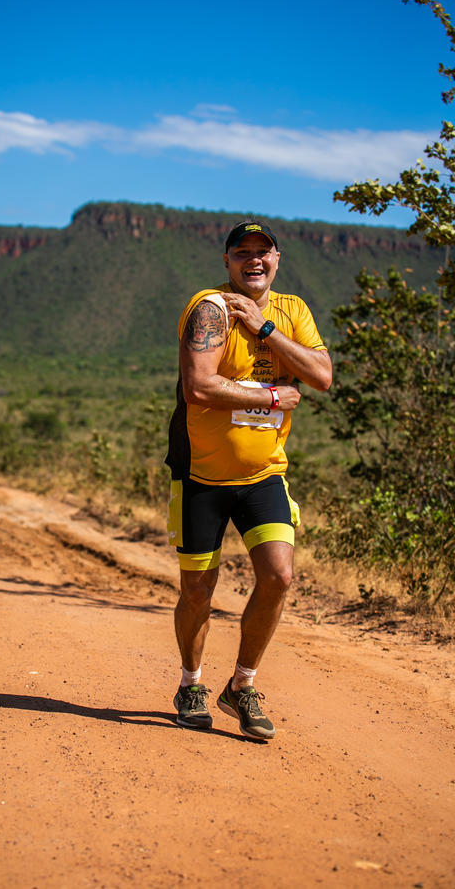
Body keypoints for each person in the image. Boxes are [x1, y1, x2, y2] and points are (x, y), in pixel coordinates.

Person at [166, 221, 332, 739]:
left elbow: (322, 376)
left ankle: (241, 686)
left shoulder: (292, 311)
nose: (254, 260)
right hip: (201, 474)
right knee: (198, 589)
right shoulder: (211, 308)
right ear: (227, 260)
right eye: (244, 252)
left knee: (279, 576)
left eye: (264, 252)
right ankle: (191, 683)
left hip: (264, 475)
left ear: (277, 259)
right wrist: (270, 396)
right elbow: (198, 386)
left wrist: (265, 330)